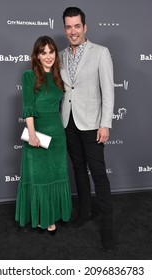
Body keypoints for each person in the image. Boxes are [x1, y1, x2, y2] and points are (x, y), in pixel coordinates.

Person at [59, 7, 115, 251]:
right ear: (65, 29)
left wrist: (105, 123)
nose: (73, 31)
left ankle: (108, 228)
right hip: (68, 122)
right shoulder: (60, 55)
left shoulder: (101, 53)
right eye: (69, 27)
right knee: (79, 170)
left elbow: (108, 91)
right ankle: (84, 213)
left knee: (99, 175)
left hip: (92, 124)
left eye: (77, 26)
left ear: (85, 27)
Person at [15, 36, 72, 234]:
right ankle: (40, 216)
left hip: (56, 133)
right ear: (37, 56)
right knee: (39, 177)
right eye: (43, 52)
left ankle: (53, 215)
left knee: (56, 174)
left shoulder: (59, 76)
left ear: (56, 54)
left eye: (51, 52)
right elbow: (28, 108)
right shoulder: (29, 76)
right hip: (37, 133)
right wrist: (32, 134)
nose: (48, 56)